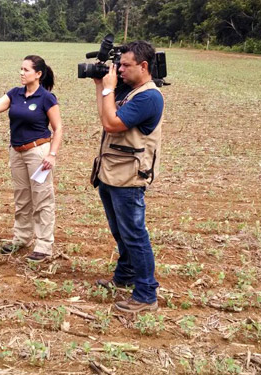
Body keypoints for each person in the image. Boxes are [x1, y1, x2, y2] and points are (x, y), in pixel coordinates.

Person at [0, 55, 63, 262]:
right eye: (21, 69)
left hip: (38, 153)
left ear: (38, 74)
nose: (21, 73)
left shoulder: (46, 98)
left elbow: (58, 128)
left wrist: (52, 154)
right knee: (22, 197)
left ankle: (43, 246)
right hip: (17, 152)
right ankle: (22, 238)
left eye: (26, 70)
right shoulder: (15, 94)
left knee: (42, 198)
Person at [92, 41, 164, 312]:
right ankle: (124, 277)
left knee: (135, 235)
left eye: (125, 65)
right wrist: (101, 86)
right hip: (111, 173)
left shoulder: (149, 97)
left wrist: (110, 87)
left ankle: (146, 294)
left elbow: (112, 123)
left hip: (129, 179)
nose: (119, 69)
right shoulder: (130, 92)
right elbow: (105, 117)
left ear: (143, 66)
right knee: (120, 232)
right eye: (118, 64)